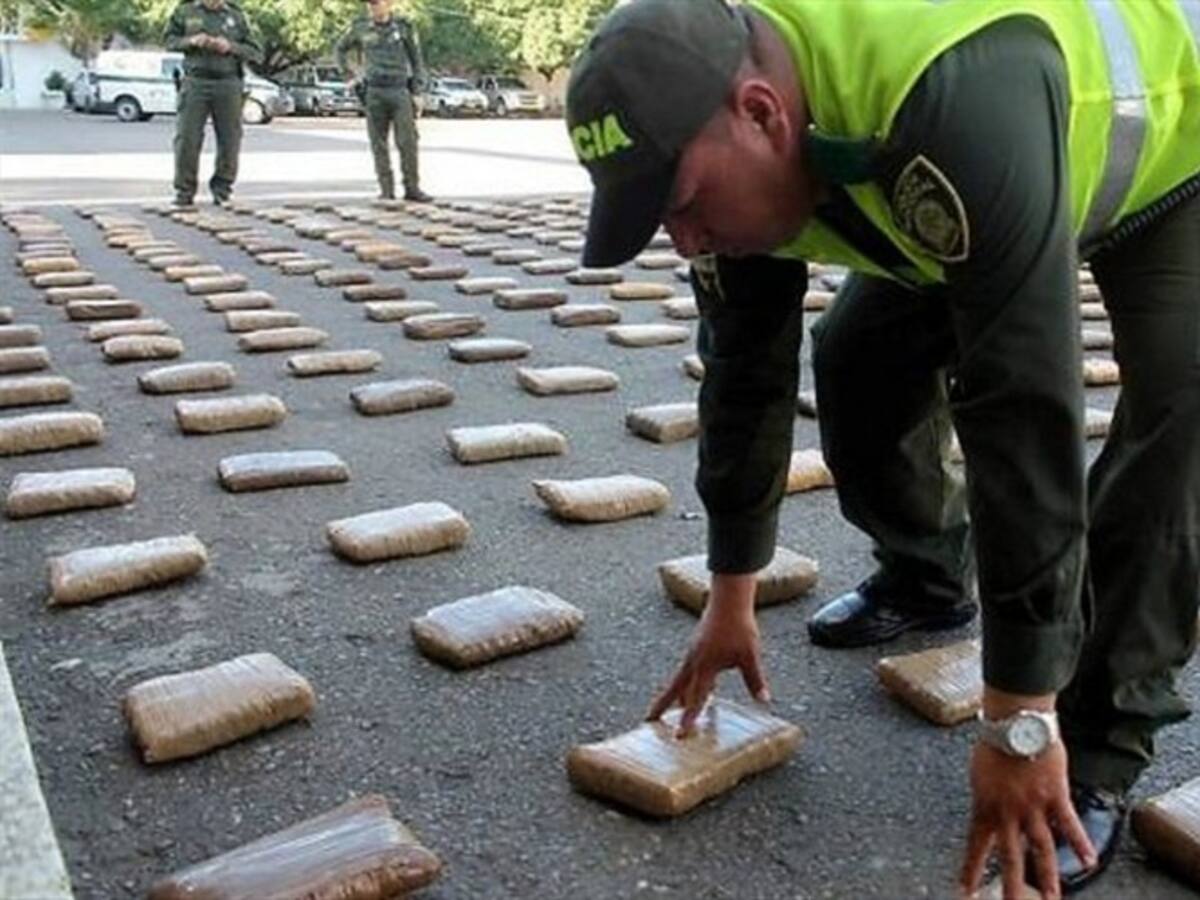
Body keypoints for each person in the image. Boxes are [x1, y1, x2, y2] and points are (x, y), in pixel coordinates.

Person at [566, 0, 1200, 897]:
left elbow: (1021, 406)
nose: (686, 239)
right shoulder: (727, 138)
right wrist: (731, 597)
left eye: (684, 204)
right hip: (987, 179)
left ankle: (1097, 750)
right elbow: (745, 378)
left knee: (1177, 424)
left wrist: (1019, 717)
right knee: (857, 356)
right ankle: (930, 575)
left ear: (760, 111)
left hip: (1173, 161)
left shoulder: (948, 89)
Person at [164, 0, 260, 207]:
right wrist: (191, 41)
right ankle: (184, 191)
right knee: (187, 138)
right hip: (196, 81)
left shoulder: (236, 15)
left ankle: (222, 189)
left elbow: (254, 52)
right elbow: (169, 41)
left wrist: (230, 47)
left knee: (230, 138)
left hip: (228, 81)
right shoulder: (185, 11)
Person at [337, 0, 432, 203]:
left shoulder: (404, 28)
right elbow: (340, 50)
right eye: (370, 5)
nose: (372, 8)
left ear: (389, 4)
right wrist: (349, 76)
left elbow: (416, 61)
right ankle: (386, 190)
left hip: (399, 90)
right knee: (378, 143)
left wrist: (417, 91)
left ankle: (412, 188)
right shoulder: (360, 27)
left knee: (408, 142)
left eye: (376, 3)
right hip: (374, 91)